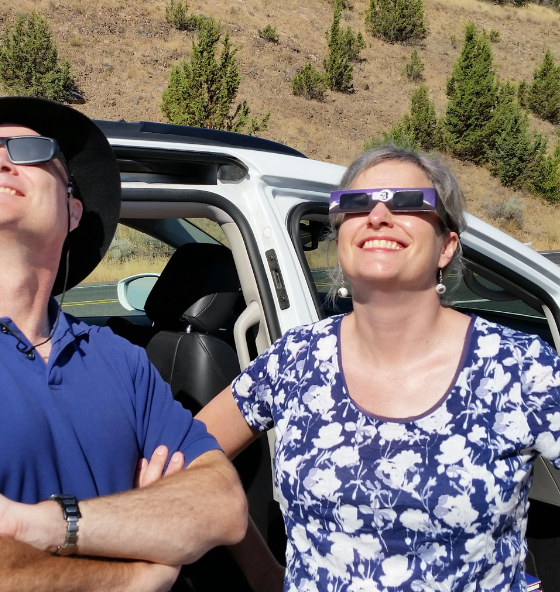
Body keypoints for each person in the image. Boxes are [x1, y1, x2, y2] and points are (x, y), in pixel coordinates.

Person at [0, 97, 247, 591]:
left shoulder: (122, 360)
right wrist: (137, 570)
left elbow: (223, 505)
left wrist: (42, 526)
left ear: (73, 209)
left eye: (29, 150)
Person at [196, 144, 560, 591]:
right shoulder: (295, 359)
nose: (378, 215)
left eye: (407, 202)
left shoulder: (520, 366)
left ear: (446, 246)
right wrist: (265, 572)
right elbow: (191, 453)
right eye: (356, 203)